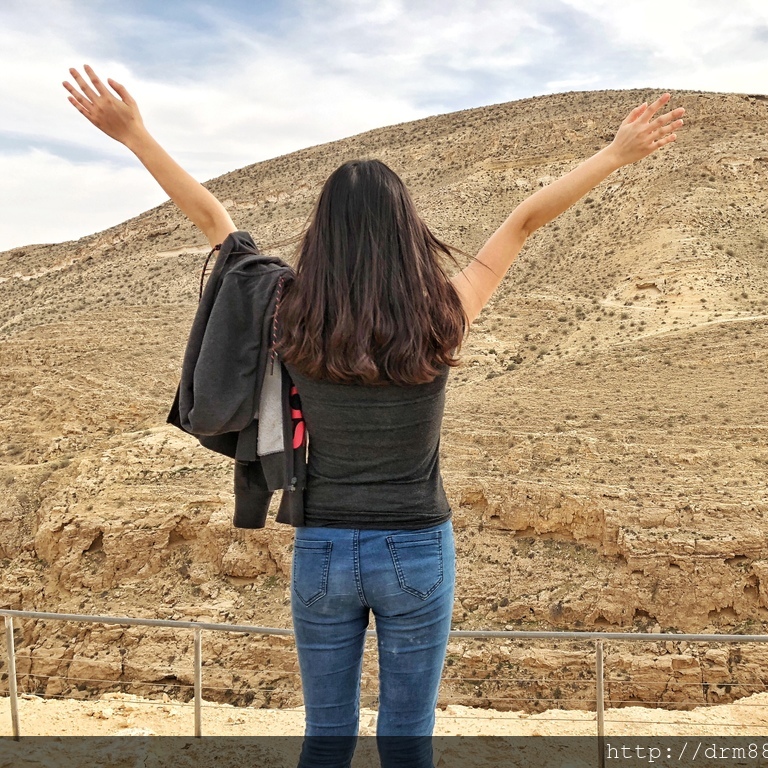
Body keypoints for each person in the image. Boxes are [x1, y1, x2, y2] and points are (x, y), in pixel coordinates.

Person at [63, 64, 685, 767]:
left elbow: (215, 223)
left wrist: (135, 135)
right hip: (418, 548)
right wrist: (613, 154)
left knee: (326, 737)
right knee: (405, 737)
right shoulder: (444, 312)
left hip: (323, 550)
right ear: (406, 229)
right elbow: (524, 221)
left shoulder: (287, 311)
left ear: (322, 233)